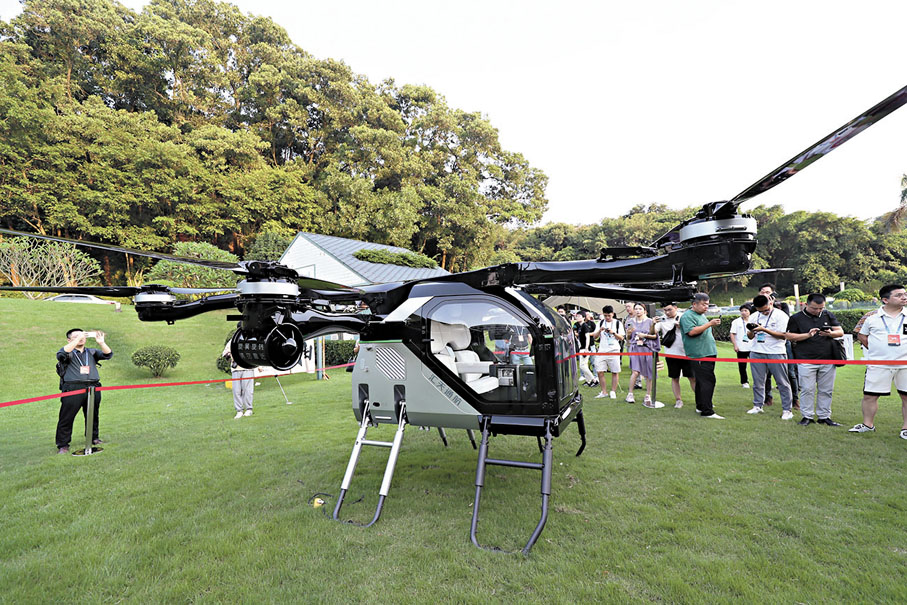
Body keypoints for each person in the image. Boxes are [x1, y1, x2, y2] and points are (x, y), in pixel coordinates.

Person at [849, 284, 907, 440]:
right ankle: (868, 425)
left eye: (905, 294)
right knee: (870, 396)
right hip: (878, 364)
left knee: (906, 397)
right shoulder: (871, 317)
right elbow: (862, 335)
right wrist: (878, 351)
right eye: (899, 295)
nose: (904, 297)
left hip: (905, 365)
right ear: (885, 300)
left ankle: (906, 428)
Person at [786, 293, 844, 426]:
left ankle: (824, 416)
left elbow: (840, 332)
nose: (818, 311)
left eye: (821, 308)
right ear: (806, 304)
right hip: (806, 359)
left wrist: (830, 333)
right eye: (814, 308)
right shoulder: (796, 318)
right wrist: (807, 335)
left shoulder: (828, 315)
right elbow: (789, 336)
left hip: (828, 358)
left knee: (826, 390)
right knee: (807, 389)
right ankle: (807, 416)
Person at [55, 329, 113, 454]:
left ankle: (94, 438)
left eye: (82, 335)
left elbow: (108, 354)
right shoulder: (67, 352)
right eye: (76, 336)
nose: (81, 338)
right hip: (73, 388)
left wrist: (101, 342)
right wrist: (76, 340)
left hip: (93, 387)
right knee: (66, 417)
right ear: (69, 340)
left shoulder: (91, 352)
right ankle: (63, 444)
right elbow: (61, 354)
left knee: (92, 414)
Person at [746, 294, 794, 419]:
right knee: (758, 381)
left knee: (782, 382)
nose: (764, 313)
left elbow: (783, 336)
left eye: (766, 310)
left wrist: (764, 329)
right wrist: (752, 331)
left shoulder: (781, 316)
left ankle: (787, 410)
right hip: (756, 351)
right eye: (761, 311)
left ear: (771, 303)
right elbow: (749, 336)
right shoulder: (754, 316)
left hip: (776, 352)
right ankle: (758, 405)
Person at [679, 293, 723, 419]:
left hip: (708, 352)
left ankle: (701, 406)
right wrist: (709, 324)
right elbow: (691, 332)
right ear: (694, 304)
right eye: (703, 304)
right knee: (707, 381)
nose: (706, 307)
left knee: (701, 381)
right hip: (699, 354)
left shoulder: (701, 315)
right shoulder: (687, 316)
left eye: (707, 304)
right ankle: (707, 411)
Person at [758, 283, 799, 408]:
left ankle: (795, 399)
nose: (765, 294)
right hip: (763, 345)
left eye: (768, 292)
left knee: (790, 372)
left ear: (773, 294)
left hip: (782, 344)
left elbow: (786, 323)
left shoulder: (782, 306)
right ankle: (767, 397)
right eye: (762, 292)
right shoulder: (756, 306)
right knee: (765, 374)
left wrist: (771, 304)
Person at [656, 302, 695, 408]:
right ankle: (678, 400)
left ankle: (701, 399)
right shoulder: (662, 319)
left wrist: (681, 326)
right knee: (674, 377)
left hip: (686, 352)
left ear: (676, 308)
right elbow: (653, 331)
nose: (667, 312)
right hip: (671, 353)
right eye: (665, 310)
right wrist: (652, 323)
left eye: (669, 310)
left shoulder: (684, 317)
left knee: (692, 377)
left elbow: (693, 330)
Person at [625, 303, 660, 408]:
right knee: (635, 372)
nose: (638, 311)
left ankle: (648, 395)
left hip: (647, 348)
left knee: (649, 373)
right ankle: (630, 394)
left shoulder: (649, 321)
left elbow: (654, 336)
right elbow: (628, 338)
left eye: (640, 309)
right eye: (636, 309)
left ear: (644, 311)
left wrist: (644, 335)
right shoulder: (630, 322)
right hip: (635, 348)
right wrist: (629, 334)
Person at [591, 305, 624, 399]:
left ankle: (613, 391)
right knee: (599, 371)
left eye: (609, 315)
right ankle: (604, 391)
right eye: (605, 315)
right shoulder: (600, 322)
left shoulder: (618, 323)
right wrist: (600, 330)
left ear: (613, 314)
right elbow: (595, 336)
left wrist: (613, 332)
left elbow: (621, 338)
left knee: (615, 371)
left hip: (614, 350)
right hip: (602, 350)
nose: (607, 317)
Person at [223, 342, 254, 418]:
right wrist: (230, 356)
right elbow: (225, 353)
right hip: (236, 369)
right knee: (236, 390)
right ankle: (239, 411)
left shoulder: (248, 340)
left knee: (247, 390)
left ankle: (249, 409)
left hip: (247, 368)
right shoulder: (232, 341)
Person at [729, 303, 754, 388]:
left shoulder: (753, 320)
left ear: (750, 311)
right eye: (742, 311)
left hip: (753, 347)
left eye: (745, 310)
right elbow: (732, 333)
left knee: (756, 366)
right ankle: (744, 382)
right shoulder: (736, 322)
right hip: (741, 347)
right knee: (742, 366)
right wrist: (735, 345)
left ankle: (759, 381)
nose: (743, 312)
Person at [576, 311, 599, 387]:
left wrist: (586, 348)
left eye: (579, 316)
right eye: (577, 316)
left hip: (585, 348)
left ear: (583, 317)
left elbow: (587, 337)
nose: (577, 317)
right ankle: (588, 381)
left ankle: (594, 380)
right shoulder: (580, 326)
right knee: (584, 365)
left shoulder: (584, 326)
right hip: (581, 347)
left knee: (582, 366)